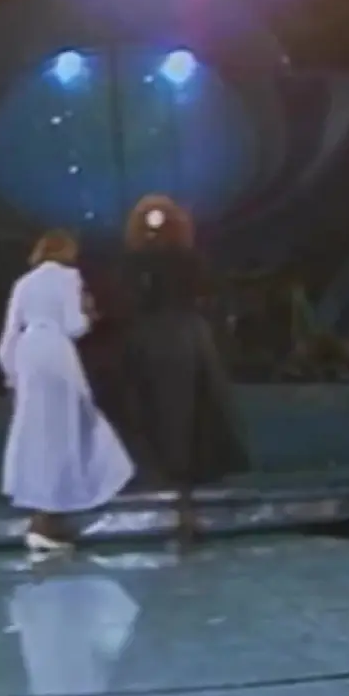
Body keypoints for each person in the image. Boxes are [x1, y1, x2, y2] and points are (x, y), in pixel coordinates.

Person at [0, 230, 134, 553]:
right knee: (68, 429)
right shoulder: (69, 278)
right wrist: (88, 314)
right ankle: (50, 519)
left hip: (28, 354)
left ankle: (45, 518)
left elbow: (8, 336)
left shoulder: (23, 283)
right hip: (56, 352)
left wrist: (11, 375)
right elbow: (74, 325)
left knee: (36, 434)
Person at [121, 194, 249, 540]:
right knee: (174, 412)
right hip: (175, 337)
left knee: (175, 413)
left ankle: (179, 490)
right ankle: (177, 491)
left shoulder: (170, 262)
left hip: (165, 338)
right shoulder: (167, 262)